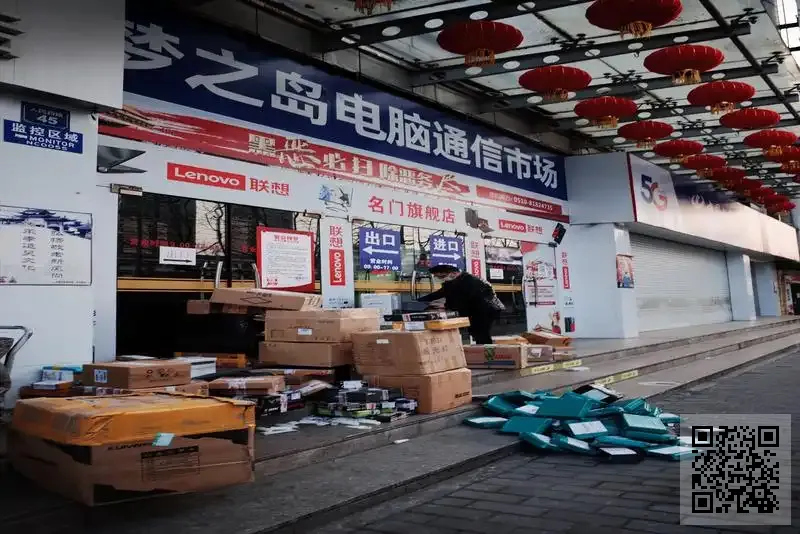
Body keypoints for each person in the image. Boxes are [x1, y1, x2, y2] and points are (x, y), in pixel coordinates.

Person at [418, 264, 504, 344]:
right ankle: (481, 350)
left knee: (481, 333)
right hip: (478, 310)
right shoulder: (456, 281)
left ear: (453, 273)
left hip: (485, 310)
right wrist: (419, 301)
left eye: (442, 276)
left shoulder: (469, 281)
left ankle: (486, 352)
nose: (441, 279)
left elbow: (460, 300)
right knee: (477, 333)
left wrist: (447, 308)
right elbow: (440, 293)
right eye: (438, 277)